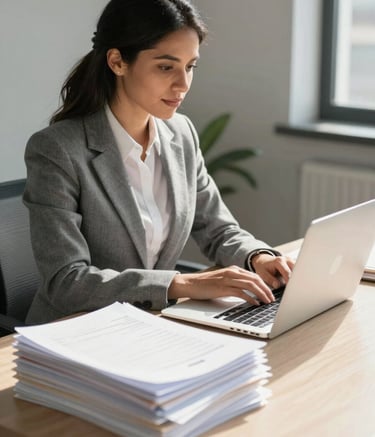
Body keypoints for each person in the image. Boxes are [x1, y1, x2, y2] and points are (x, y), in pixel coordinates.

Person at [24, 0, 294, 325]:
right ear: (117, 62)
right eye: (166, 67)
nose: (183, 84)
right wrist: (181, 284)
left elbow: (217, 228)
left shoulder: (181, 133)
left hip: (152, 325)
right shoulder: (57, 150)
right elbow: (66, 282)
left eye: (190, 66)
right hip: (77, 329)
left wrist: (257, 257)